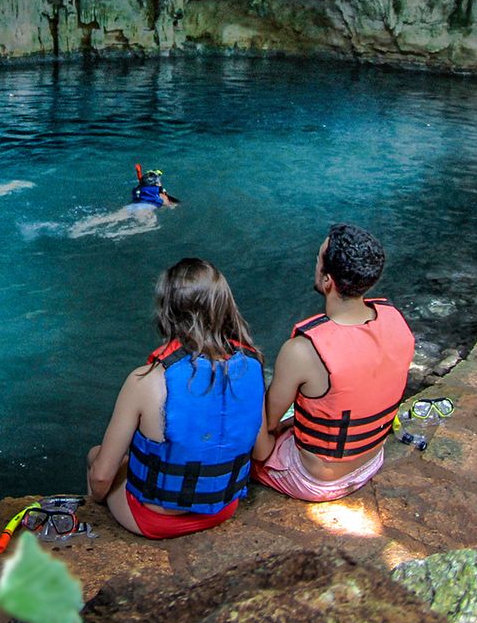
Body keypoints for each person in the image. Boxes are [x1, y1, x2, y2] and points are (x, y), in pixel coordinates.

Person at [86, 259, 265, 538]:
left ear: (166, 312)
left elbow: (101, 477)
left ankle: (94, 525)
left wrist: (98, 499)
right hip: (223, 508)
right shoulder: (252, 367)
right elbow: (262, 450)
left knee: (96, 457)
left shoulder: (145, 380)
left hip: (155, 519)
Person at [251, 223, 415, 502]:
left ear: (328, 280)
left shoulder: (302, 350)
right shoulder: (396, 321)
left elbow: (267, 424)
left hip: (316, 479)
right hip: (371, 460)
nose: (314, 265)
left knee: (247, 398)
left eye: (317, 260)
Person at [66, 164, 177, 238]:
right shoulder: (161, 194)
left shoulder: (139, 189)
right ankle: (117, 234)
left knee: (109, 218)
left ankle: (80, 226)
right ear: (157, 183)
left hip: (130, 207)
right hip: (144, 210)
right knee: (150, 225)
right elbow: (170, 205)